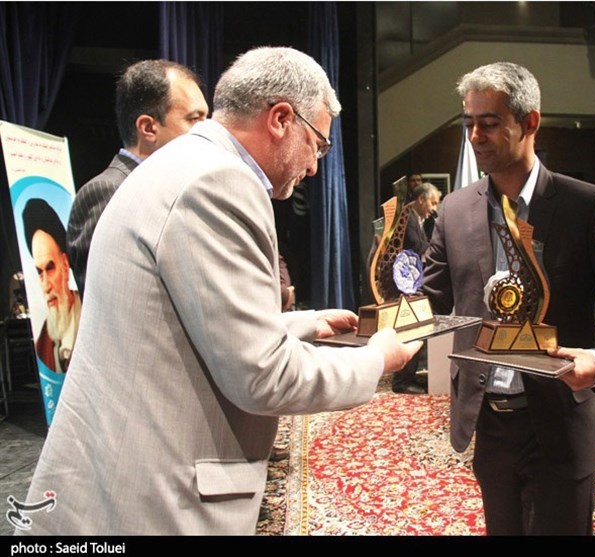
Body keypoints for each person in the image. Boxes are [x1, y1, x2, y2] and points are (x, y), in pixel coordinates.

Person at [18, 46, 420, 536]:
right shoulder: (220, 181)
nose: (315, 167)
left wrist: (303, 323)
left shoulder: (186, 162)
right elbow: (265, 377)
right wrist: (377, 359)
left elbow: (180, 318)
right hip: (151, 499)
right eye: (317, 145)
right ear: (281, 119)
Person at [422, 62, 595, 535]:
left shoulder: (586, 205)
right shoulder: (455, 209)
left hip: (562, 420)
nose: (475, 136)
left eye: (489, 123)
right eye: (469, 123)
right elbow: (428, 297)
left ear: (529, 122)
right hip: (489, 421)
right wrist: (375, 323)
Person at [66, 59, 209, 296]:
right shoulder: (107, 192)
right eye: (195, 119)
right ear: (148, 128)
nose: (207, 130)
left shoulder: (176, 190)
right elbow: (108, 299)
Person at [21, 199, 82, 373]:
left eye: (50, 268)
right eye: (40, 272)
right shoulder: (43, 345)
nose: (46, 286)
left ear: (65, 264)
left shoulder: (91, 315)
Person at [392, 182, 440, 394]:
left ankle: (409, 375)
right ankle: (403, 381)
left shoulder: (417, 219)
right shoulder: (408, 218)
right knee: (411, 329)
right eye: (433, 203)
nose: (434, 209)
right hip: (404, 286)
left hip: (412, 283)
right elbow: (417, 248)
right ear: (421, 199)